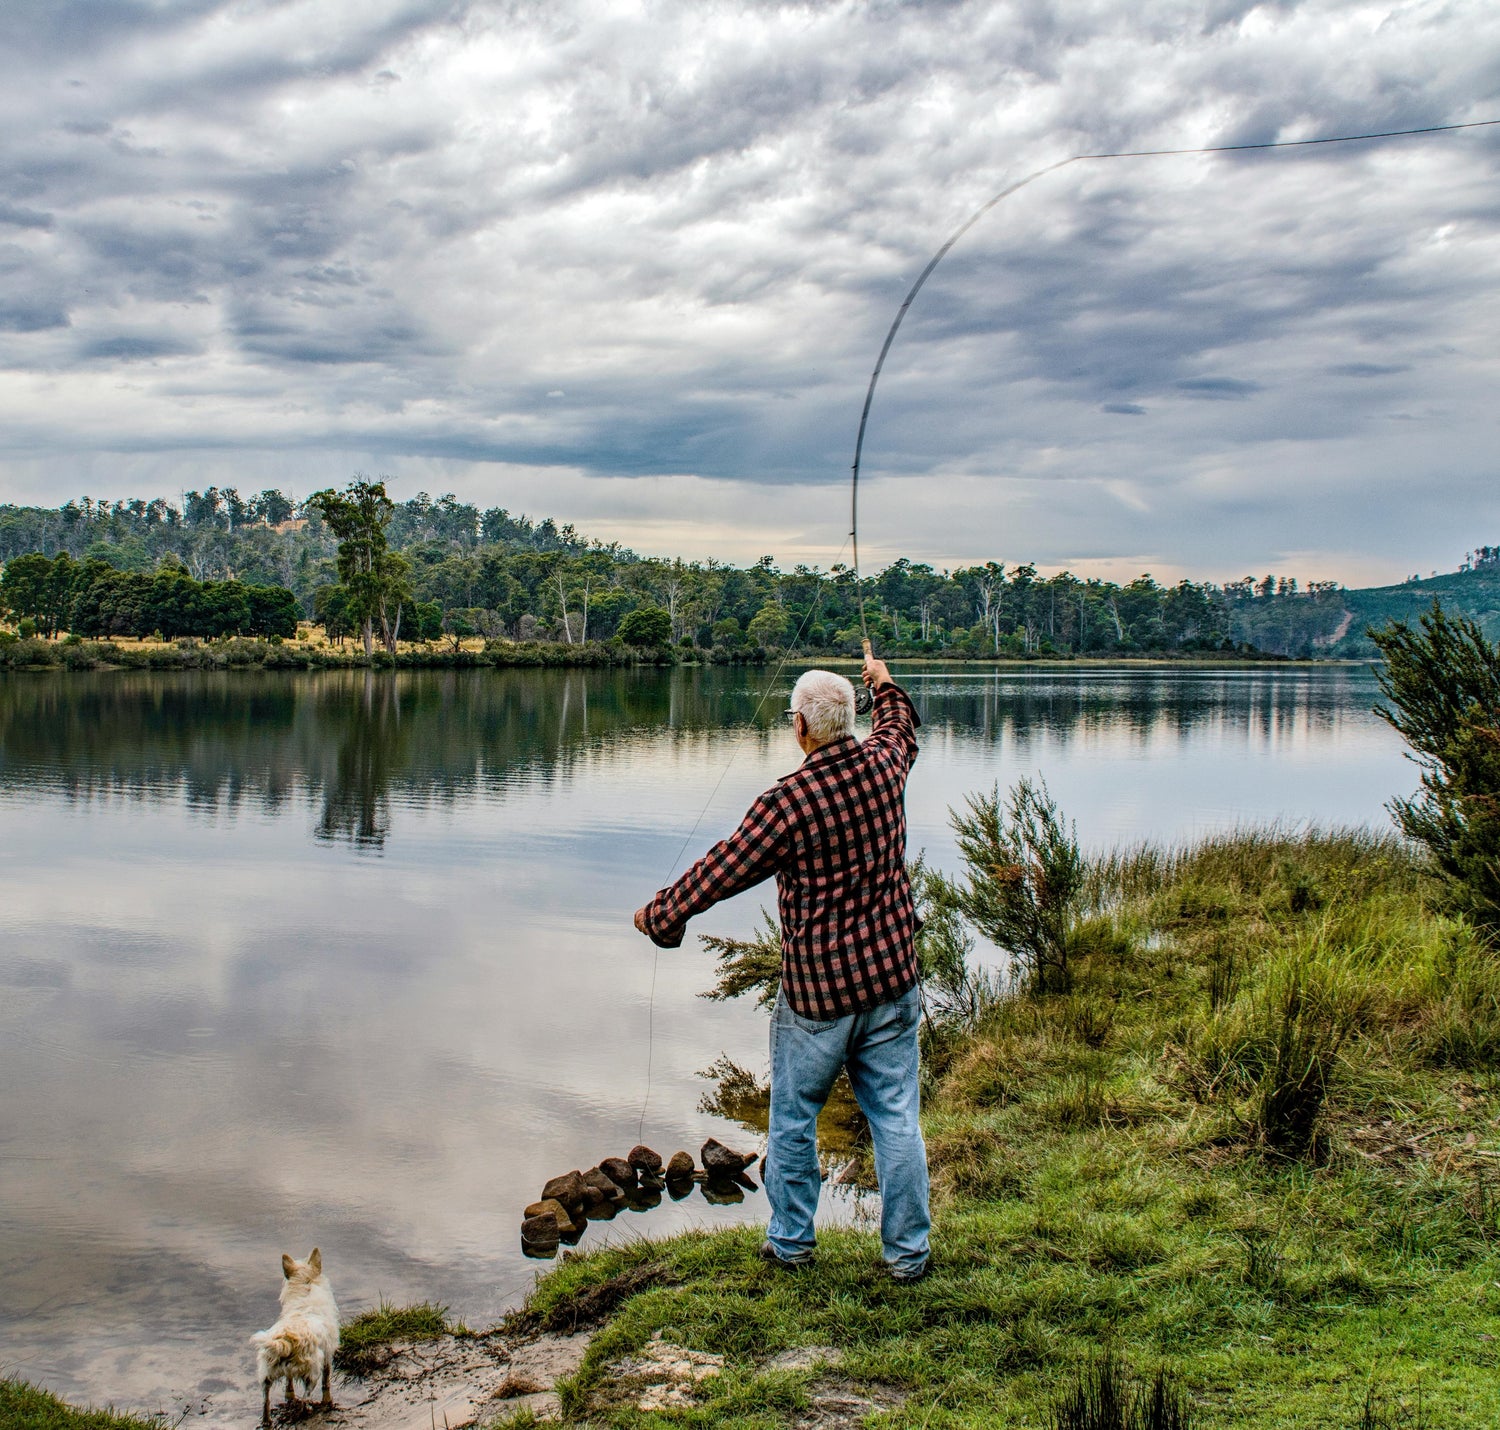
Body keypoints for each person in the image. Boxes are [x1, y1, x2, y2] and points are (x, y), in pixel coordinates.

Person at [633, 651, 930, 1282]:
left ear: (800, 728)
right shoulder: (884, 764)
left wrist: (665, 915)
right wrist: (886, 684)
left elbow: (724, 868)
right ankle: (908, 1256)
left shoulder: (790, 802)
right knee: (897, 1119)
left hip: (819, 996)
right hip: (893, 980)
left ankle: (792, 1243)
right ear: (850, 720)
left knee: (794, 1118)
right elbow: (902, 723)